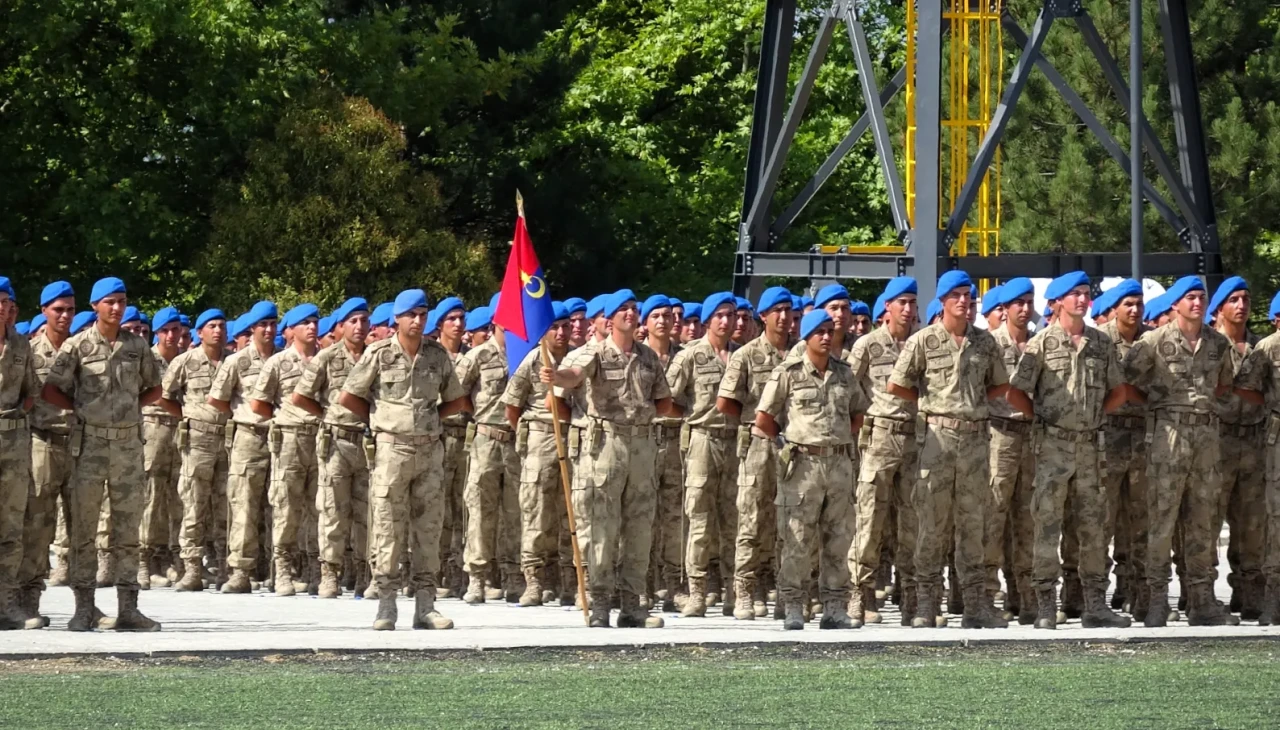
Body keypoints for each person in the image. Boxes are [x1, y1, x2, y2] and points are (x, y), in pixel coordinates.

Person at [1005, 271, 1132, 629]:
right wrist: (1042, 419)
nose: (1081, 300)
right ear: (1058, 301)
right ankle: (1045, 604)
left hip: (1090, 447)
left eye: (1084, 293)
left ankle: (1094, 605)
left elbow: (1119, 391)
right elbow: (1016, 392)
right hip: (1053, 448)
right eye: (1073, 294)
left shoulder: (1100, 343)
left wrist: (1093, 418)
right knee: (1047, 525)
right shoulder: (1042, 343)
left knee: (1093, 527)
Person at [540, 289, 673, 628]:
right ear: (610, 319)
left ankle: (632, 605)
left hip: (642, 445)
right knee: (602, 527)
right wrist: (557, 377)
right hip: (607, 446)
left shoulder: (647, 357)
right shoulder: (595, 353)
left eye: (633, 308)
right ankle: (600, 603)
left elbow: (664, 402)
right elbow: (574, 377)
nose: (630, 314)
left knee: (640, 526)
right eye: (622, 310)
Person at [340, 289, 470, 631]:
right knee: (387, 528)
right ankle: (386, 605)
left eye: (423, 314)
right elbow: (348, 396)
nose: (418, 320)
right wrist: (378, 418)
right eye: (411, 314)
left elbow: (456, 401)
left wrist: (430, 419)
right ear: (397, 318)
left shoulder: (437, 355)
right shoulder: (379, 354)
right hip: (391, 451)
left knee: (429, 528)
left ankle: (426, 605)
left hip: (429, 449)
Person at [887, 270, 1010, 629]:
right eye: (956, 295)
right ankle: (925, 602)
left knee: (974, 524)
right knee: (931, 524)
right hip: (936, 443)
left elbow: (998, 387)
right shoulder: (923, 341)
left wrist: (968, 407)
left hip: (974, 442)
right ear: (942, 302)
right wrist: (932, 405)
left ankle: (975, 605)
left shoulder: (985, 343)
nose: (964, 302)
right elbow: (898, 385)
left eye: (968, 296)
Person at [43, 277, 163, 631]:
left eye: (122, 301)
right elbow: (51, 389)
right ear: (95, 306)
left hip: (127, 445)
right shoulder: (78, 345)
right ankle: (84, 607)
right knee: (84, 529)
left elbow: (154, 388)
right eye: (110, 301)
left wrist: (128, 409)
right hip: (90, 445)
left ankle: (129, 608)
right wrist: (82, 410)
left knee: (128, 529)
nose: (117, 308)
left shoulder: (137, 346)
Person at [1123, 275, 1239, 626]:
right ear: (1175, 304)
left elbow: (1224, 384)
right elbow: (1128, 382)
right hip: (1167, 438)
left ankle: (1202, 600)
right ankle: (1156, 599)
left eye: (1201, 297)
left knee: (1203, 521)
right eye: (1190, 297)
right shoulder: (1154, 341)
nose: (1197, 303)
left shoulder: (1217, 344)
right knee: (1161, 521)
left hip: (1205, 437)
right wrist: (1159, 405)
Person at [755, 309, 869, 630]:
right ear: (805, 336)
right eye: (818, 331)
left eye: (829, 330)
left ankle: (835, 607)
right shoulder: (788, 373)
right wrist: (785, 445)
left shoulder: (845, 373)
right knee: (797, 538)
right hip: (802, 466)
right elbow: (764, 418)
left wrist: (841, 439)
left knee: (838, 538)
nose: (825, 336)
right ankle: (793, 605)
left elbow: (858, 412)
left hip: (838, 464)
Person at [847, 276, 920, 626]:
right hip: (879, 439)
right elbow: (847, 390)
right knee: (870, 519)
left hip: (916, 439)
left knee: (911, 522)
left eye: (912, 303)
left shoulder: (922, 343)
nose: (908, 310)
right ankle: (860, 593)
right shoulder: (867, 345)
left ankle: (910, 596)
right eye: (901, 303)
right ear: (887, 307)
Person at [718, 288, 793, 620]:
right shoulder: (746, 355)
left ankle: (779, 587)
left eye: (788, 310)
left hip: (793, 444)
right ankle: (745, 589)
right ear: (763, 316)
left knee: (789, 521)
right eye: (777, 310)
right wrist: (754, 420)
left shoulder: (799, 353)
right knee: (752, 517)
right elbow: (726, 402)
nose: (784, 316)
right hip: (759, 443)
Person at [292, 297, 372, 598]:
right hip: (337, 441)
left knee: (368, 513)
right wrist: (326, 413)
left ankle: (365, 574)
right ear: (340, 326)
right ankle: (330, 574)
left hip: (366, 442)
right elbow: (300, 396)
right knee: (333, 510)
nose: (360, 326)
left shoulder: (375, 355)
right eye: (353, 321)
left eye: (364, 321)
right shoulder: (327, 357)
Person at [667, 291, 741, 617]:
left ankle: (733, 591)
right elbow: (667, 399)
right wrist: (691, 420)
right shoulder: (689, 356)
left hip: (738, 441)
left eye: (731, 315)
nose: (726, 321)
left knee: (736, 520)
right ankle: (696, 590)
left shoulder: (743, 355)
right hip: (703, 440)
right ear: (709, 320)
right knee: (699, 518)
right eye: (720, 315)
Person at [248, 303, 322, 595]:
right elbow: (259, 404)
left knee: (320, 507)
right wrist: (284, 419)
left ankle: (317, 570)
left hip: (320, 437)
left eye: (315, 322)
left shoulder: (325, 359)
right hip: (289, 438)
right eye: (305, 323)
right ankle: (283, 570)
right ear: (291, 330)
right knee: (286, 506)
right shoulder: (278, 363)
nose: (312, 328)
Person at [502, 302, 574, 606]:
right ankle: (534, 580)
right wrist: (530, 435)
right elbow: (512, 407)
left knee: (570, 511)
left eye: (565, 327)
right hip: (541, 438)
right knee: (536, 510)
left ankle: (567, 581)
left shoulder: (577, 359)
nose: (561, 332)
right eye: (554, 327)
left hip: (573, 437)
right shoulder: (533, 360)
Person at [157, 308, 232, 592]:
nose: (218, 331)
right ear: (199, 332)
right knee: (194, 502)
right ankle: (191, 567)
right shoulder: (185, 361)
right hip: (197, 439)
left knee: (225, 504)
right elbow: (163, 396)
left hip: (227, 439)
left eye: (222, 326)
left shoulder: (233, 361)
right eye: (211, 326)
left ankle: (223, 565)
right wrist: (187, 414)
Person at [1091, 279, 1152, 619]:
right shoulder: (1100, 341)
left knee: (1140, 521)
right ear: (1114, 308)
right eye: (1127, 303)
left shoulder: (1152, 340)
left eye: (1138, 304)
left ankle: (1136, 591)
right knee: (1103, 520)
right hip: (1109, 436)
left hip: (1143, 437)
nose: (1134, 309)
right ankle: (1095, 595)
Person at [208, 301, 278, 592]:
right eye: (263, 324)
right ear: (252, 328)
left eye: (273, 324)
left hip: (278, 436)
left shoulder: (284, 359)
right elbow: (217, 399)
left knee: (279, 505)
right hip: (248, 436)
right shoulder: (237, 362)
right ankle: (240, 570)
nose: (269, 329)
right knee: (244, 504)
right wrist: (242, 414)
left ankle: (275, 568)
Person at [18, 282, 76, 628]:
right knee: (38, 524)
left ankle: (85, 604)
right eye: (58, 309)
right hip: (42, 441)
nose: (65, 316)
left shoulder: (81, 348)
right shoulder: (29, 351)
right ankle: (29, 599)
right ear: (44, 311)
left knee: (82, 526)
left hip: (80, 443)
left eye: (70, 309)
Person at [1208, 277, 1266, 620]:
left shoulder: (1260, 347)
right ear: (1220, 309)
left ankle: (1249, 593)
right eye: (1234, 300)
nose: (1241, 306)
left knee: (1252, 524)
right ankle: (1201, 592)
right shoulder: (1211, 346)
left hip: (1254, 441)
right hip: (1217, 440)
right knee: (1207, 522)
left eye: (1245, 299)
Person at [457, 297, 521, 604]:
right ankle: (477, 578)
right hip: (486, 440)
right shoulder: (478, 356)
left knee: (517, 511)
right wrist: (480, 414)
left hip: (517, 441)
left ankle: (513, 576)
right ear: (497, 320)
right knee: (480, 510)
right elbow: (457, 394)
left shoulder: (527, 354)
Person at [983, 277, 1036, 622]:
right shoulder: (990, 345)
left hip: (1031, 438)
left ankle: (1026, 596)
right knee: (993, 517)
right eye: (1018, 302)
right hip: (998, 436)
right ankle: (988, 595)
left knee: (1028, 518)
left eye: (1029, 302)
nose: (1024, 308)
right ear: (1003, 309)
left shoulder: (1038, 345)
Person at [1235, 292, 1280, 623]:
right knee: (1274, 521)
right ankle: (1273, 599)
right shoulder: (1268, 348)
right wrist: (1271, 405)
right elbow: (1244, 386)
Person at [135, 307, 185, 590]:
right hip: (152, 428)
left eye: (175, 330)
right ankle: (144, 559)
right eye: (165, 330)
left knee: (177, 496)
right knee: (151, 495)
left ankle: (169, 557)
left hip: (180, 432)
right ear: (156, 333)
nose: (171, 335)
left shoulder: (185, 360)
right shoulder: (147, 359)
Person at [639, 294, 684, 611]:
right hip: (643, 441)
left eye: (668, 315)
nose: (664, 321)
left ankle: (674, 585)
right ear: (646, 322)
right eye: (656, 315)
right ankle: (641, 585)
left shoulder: (686, 356)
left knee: (676, 518)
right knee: (641, 516)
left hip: (677, 443)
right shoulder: (637, 357)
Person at [0, 278, 35, 630]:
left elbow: (31, 392)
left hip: (12, 443)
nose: (1, 308)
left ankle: (7, 603)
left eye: (5, 302)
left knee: (10, 527)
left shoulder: (21, 345)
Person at [433, 297, 470, 598]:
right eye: (452, 319)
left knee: (465, 507)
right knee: (437, 507)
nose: (458, 324)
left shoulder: (474, 356)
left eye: (461, 318)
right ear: (440, 325)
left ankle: (458, 572)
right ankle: (435, 571)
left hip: (468, 437)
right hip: (439, 436)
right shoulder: (430, 356)